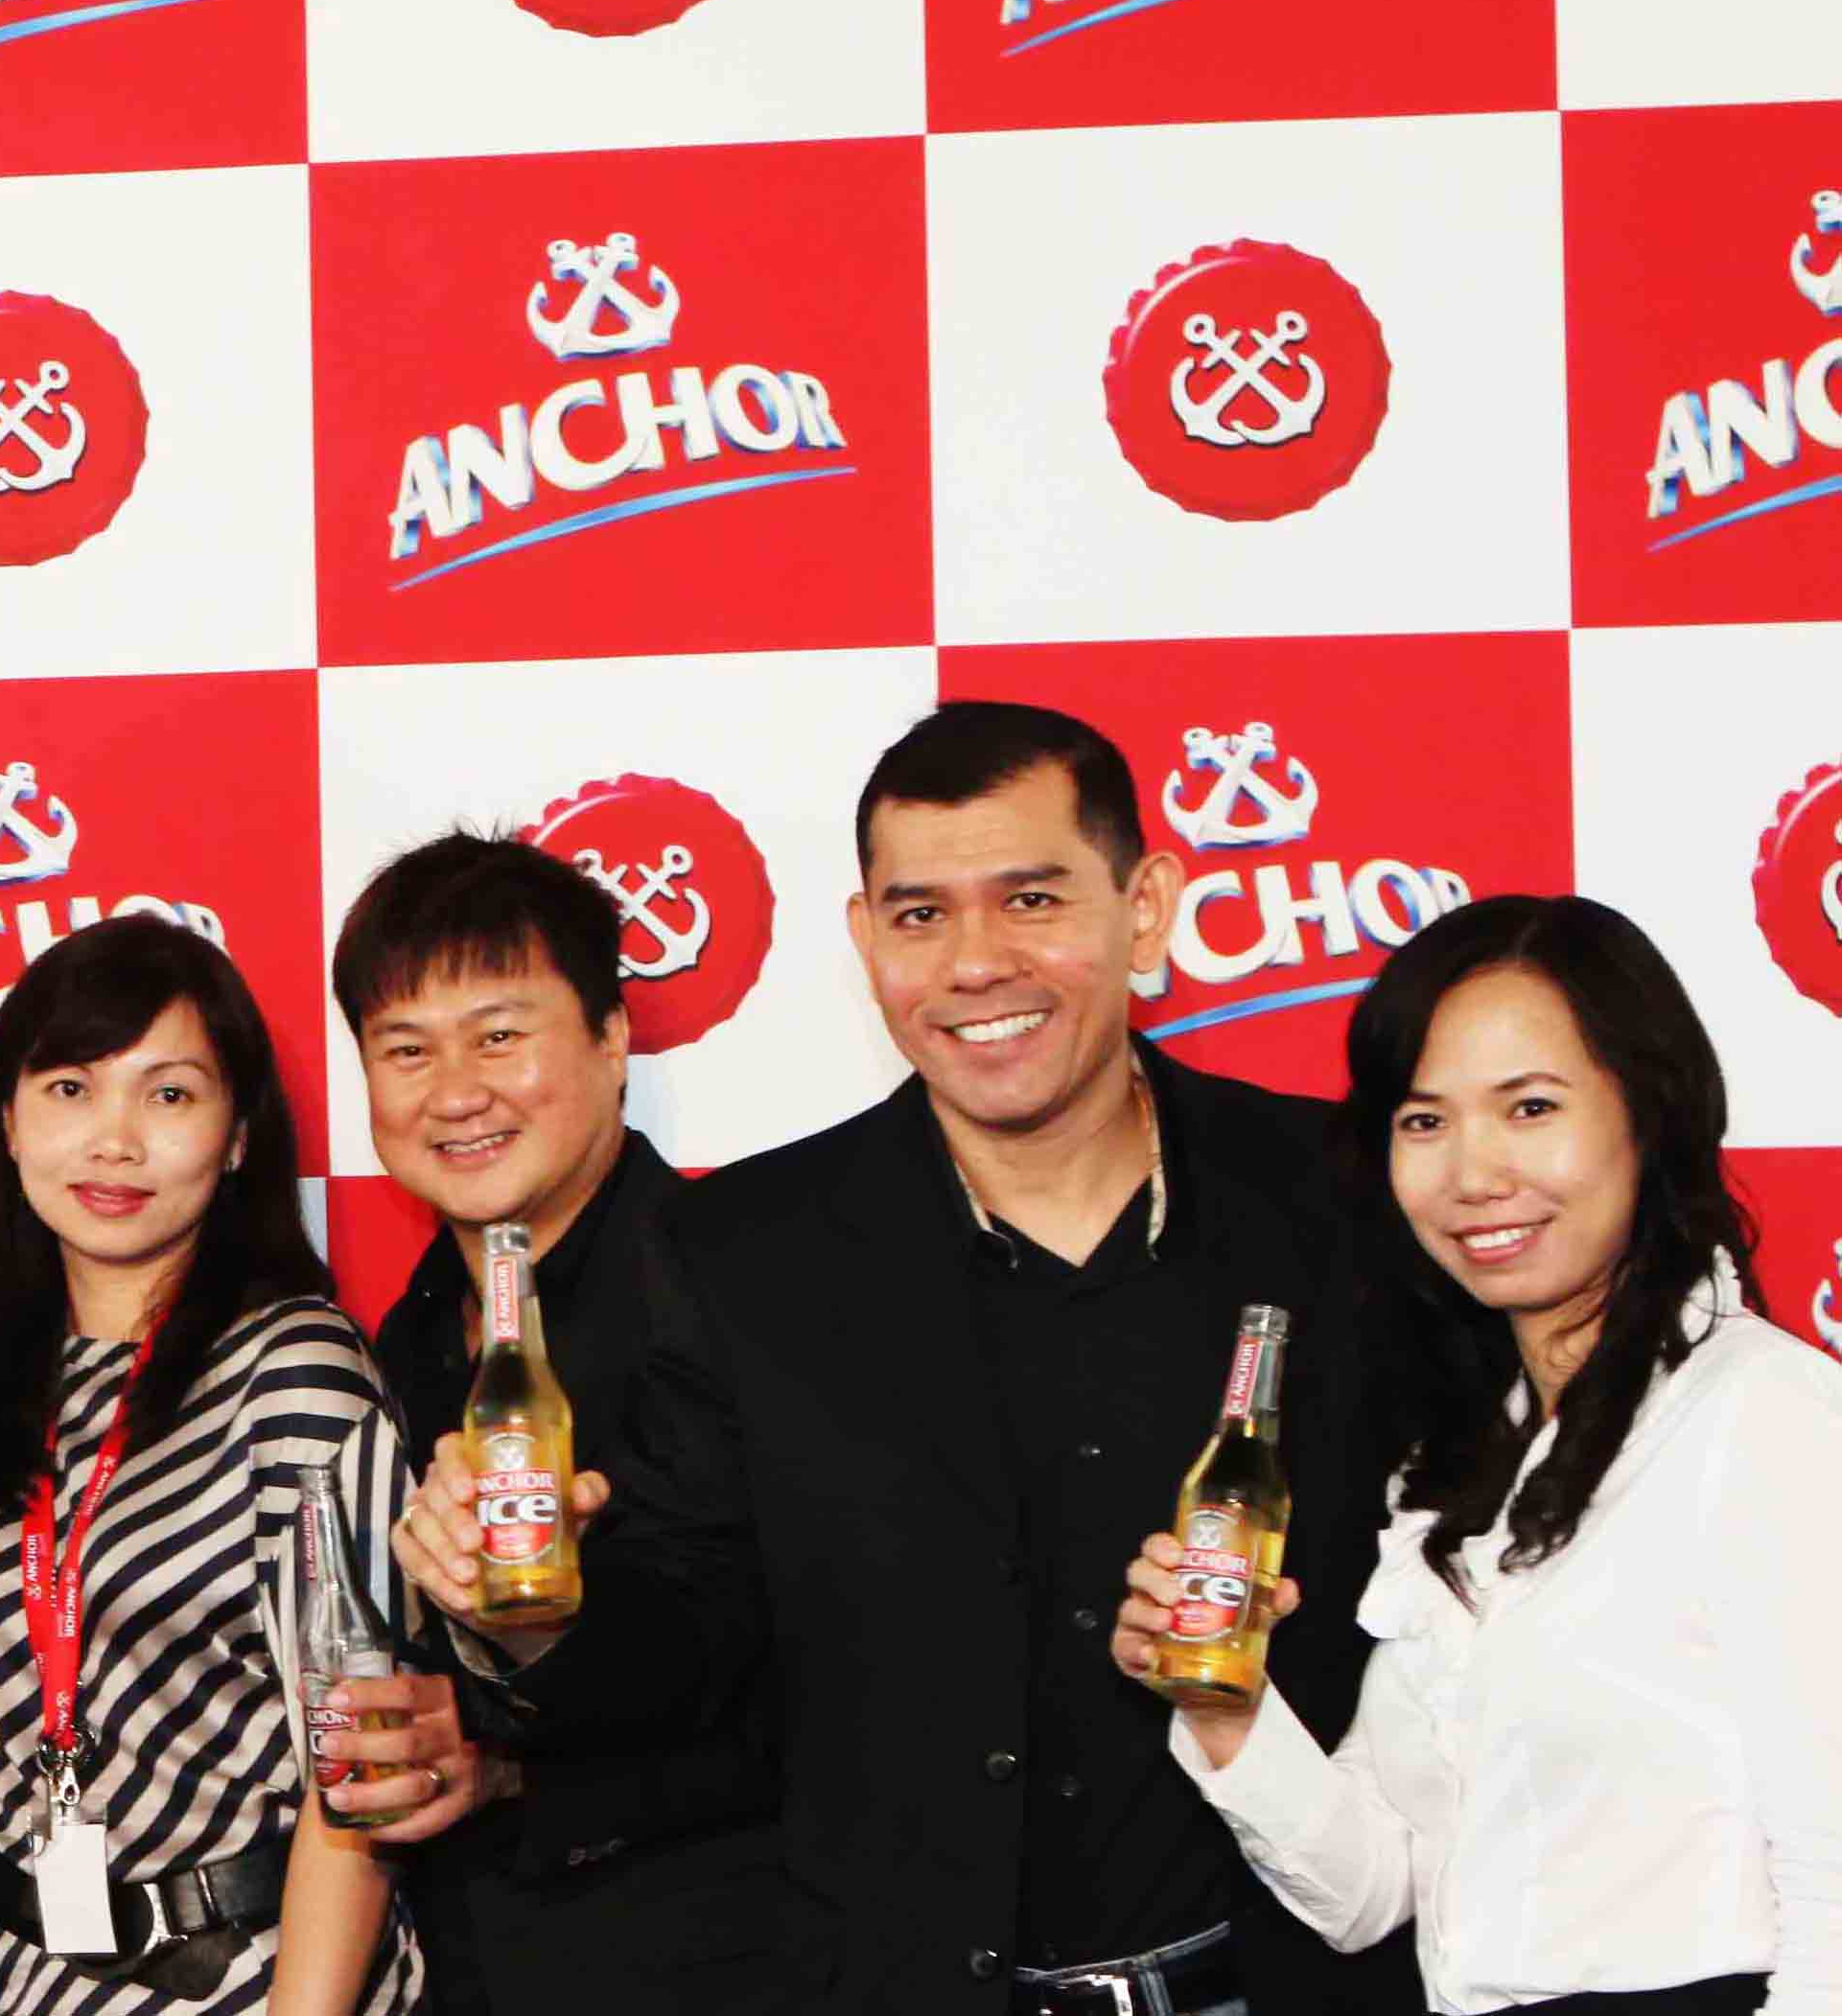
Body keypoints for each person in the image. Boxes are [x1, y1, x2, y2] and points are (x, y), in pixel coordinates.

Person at [390, 702, 1423, 2013]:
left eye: (1031, 899)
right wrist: (526, 1616)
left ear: (1148, 908)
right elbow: (689, 1649)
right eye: (920, 914)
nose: (975, 963)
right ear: (866, 939)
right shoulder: (744, 1252)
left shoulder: (1345, 1196)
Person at [1112, 894, 1842, 2014]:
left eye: (1531, 1107)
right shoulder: (1459, 1466)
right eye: (1424, 1121)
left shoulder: (1765, 1414)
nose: (1474, 1173)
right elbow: (1374, 1891)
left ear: (1651, 1115)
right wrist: (1225, 1707)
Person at [322, 830, 781, 2014]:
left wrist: (521, 1707)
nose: (454, 1092)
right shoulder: (404, 1337)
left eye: (499, 1036)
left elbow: (808, 1681)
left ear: (613, 1039)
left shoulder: (749, 1289)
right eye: (406, 1049)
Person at [0, 914, 419, 2013]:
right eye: (71, 1089)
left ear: (238, 1135)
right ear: (7, 1118)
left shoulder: (294, 1374)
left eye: (168, 1095)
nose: (114, 1142)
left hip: (252, 1974)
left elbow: (361, 1762)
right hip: (16, 1979)